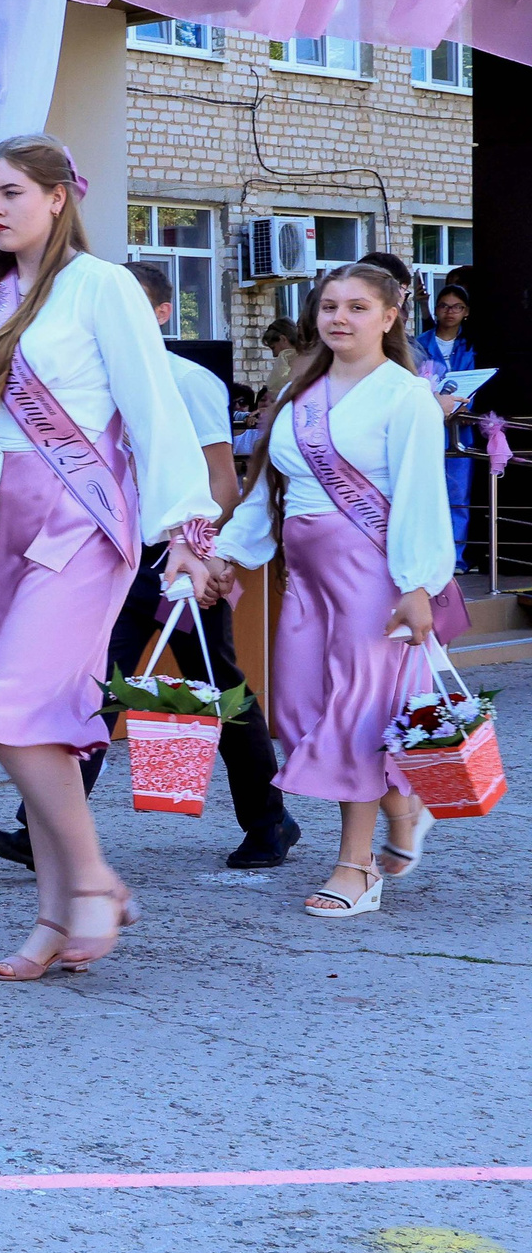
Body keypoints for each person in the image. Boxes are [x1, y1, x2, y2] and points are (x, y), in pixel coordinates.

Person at [0, 134, 219, 981]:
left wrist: (184, 532)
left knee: (9, 710)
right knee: (37, 727)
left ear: (59, 197)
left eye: (12, 191)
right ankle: (55, 916)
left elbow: (152, 407)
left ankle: (94, 877)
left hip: (78, 518)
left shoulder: (101, 286)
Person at [0, 261, 299, 873]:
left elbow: (220, 479)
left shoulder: (190, 381)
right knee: (96, 683)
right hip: (110, 549)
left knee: (218, 687)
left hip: (174, 560)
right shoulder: (85, 377)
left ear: (160, 314)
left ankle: (269, 819)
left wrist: (202, 549)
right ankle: (40, 825)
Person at [208, 263, 451, 918]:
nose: (340, 317)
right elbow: (267, 488)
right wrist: (227, 552)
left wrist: (418, 585)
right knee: (297, 710)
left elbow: (422, 498)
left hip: (376, 576)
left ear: (391, 316)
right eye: (330, 306)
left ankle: (356, 866)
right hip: (307, 577)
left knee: (353, 715)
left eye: (358, 307)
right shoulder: (300, 392)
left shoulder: (404, 396)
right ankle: (402, 802)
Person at [416, 282, 476, 574]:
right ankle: (428, 557)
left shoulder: (473, 343)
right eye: (444, 306)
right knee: (426, 490)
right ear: (435, 309)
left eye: (457, 307)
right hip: (427, 424)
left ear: (466, 312)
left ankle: (456, 559)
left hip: (461, 426)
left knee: (458, 493)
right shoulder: (420, 343)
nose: (449, 312)